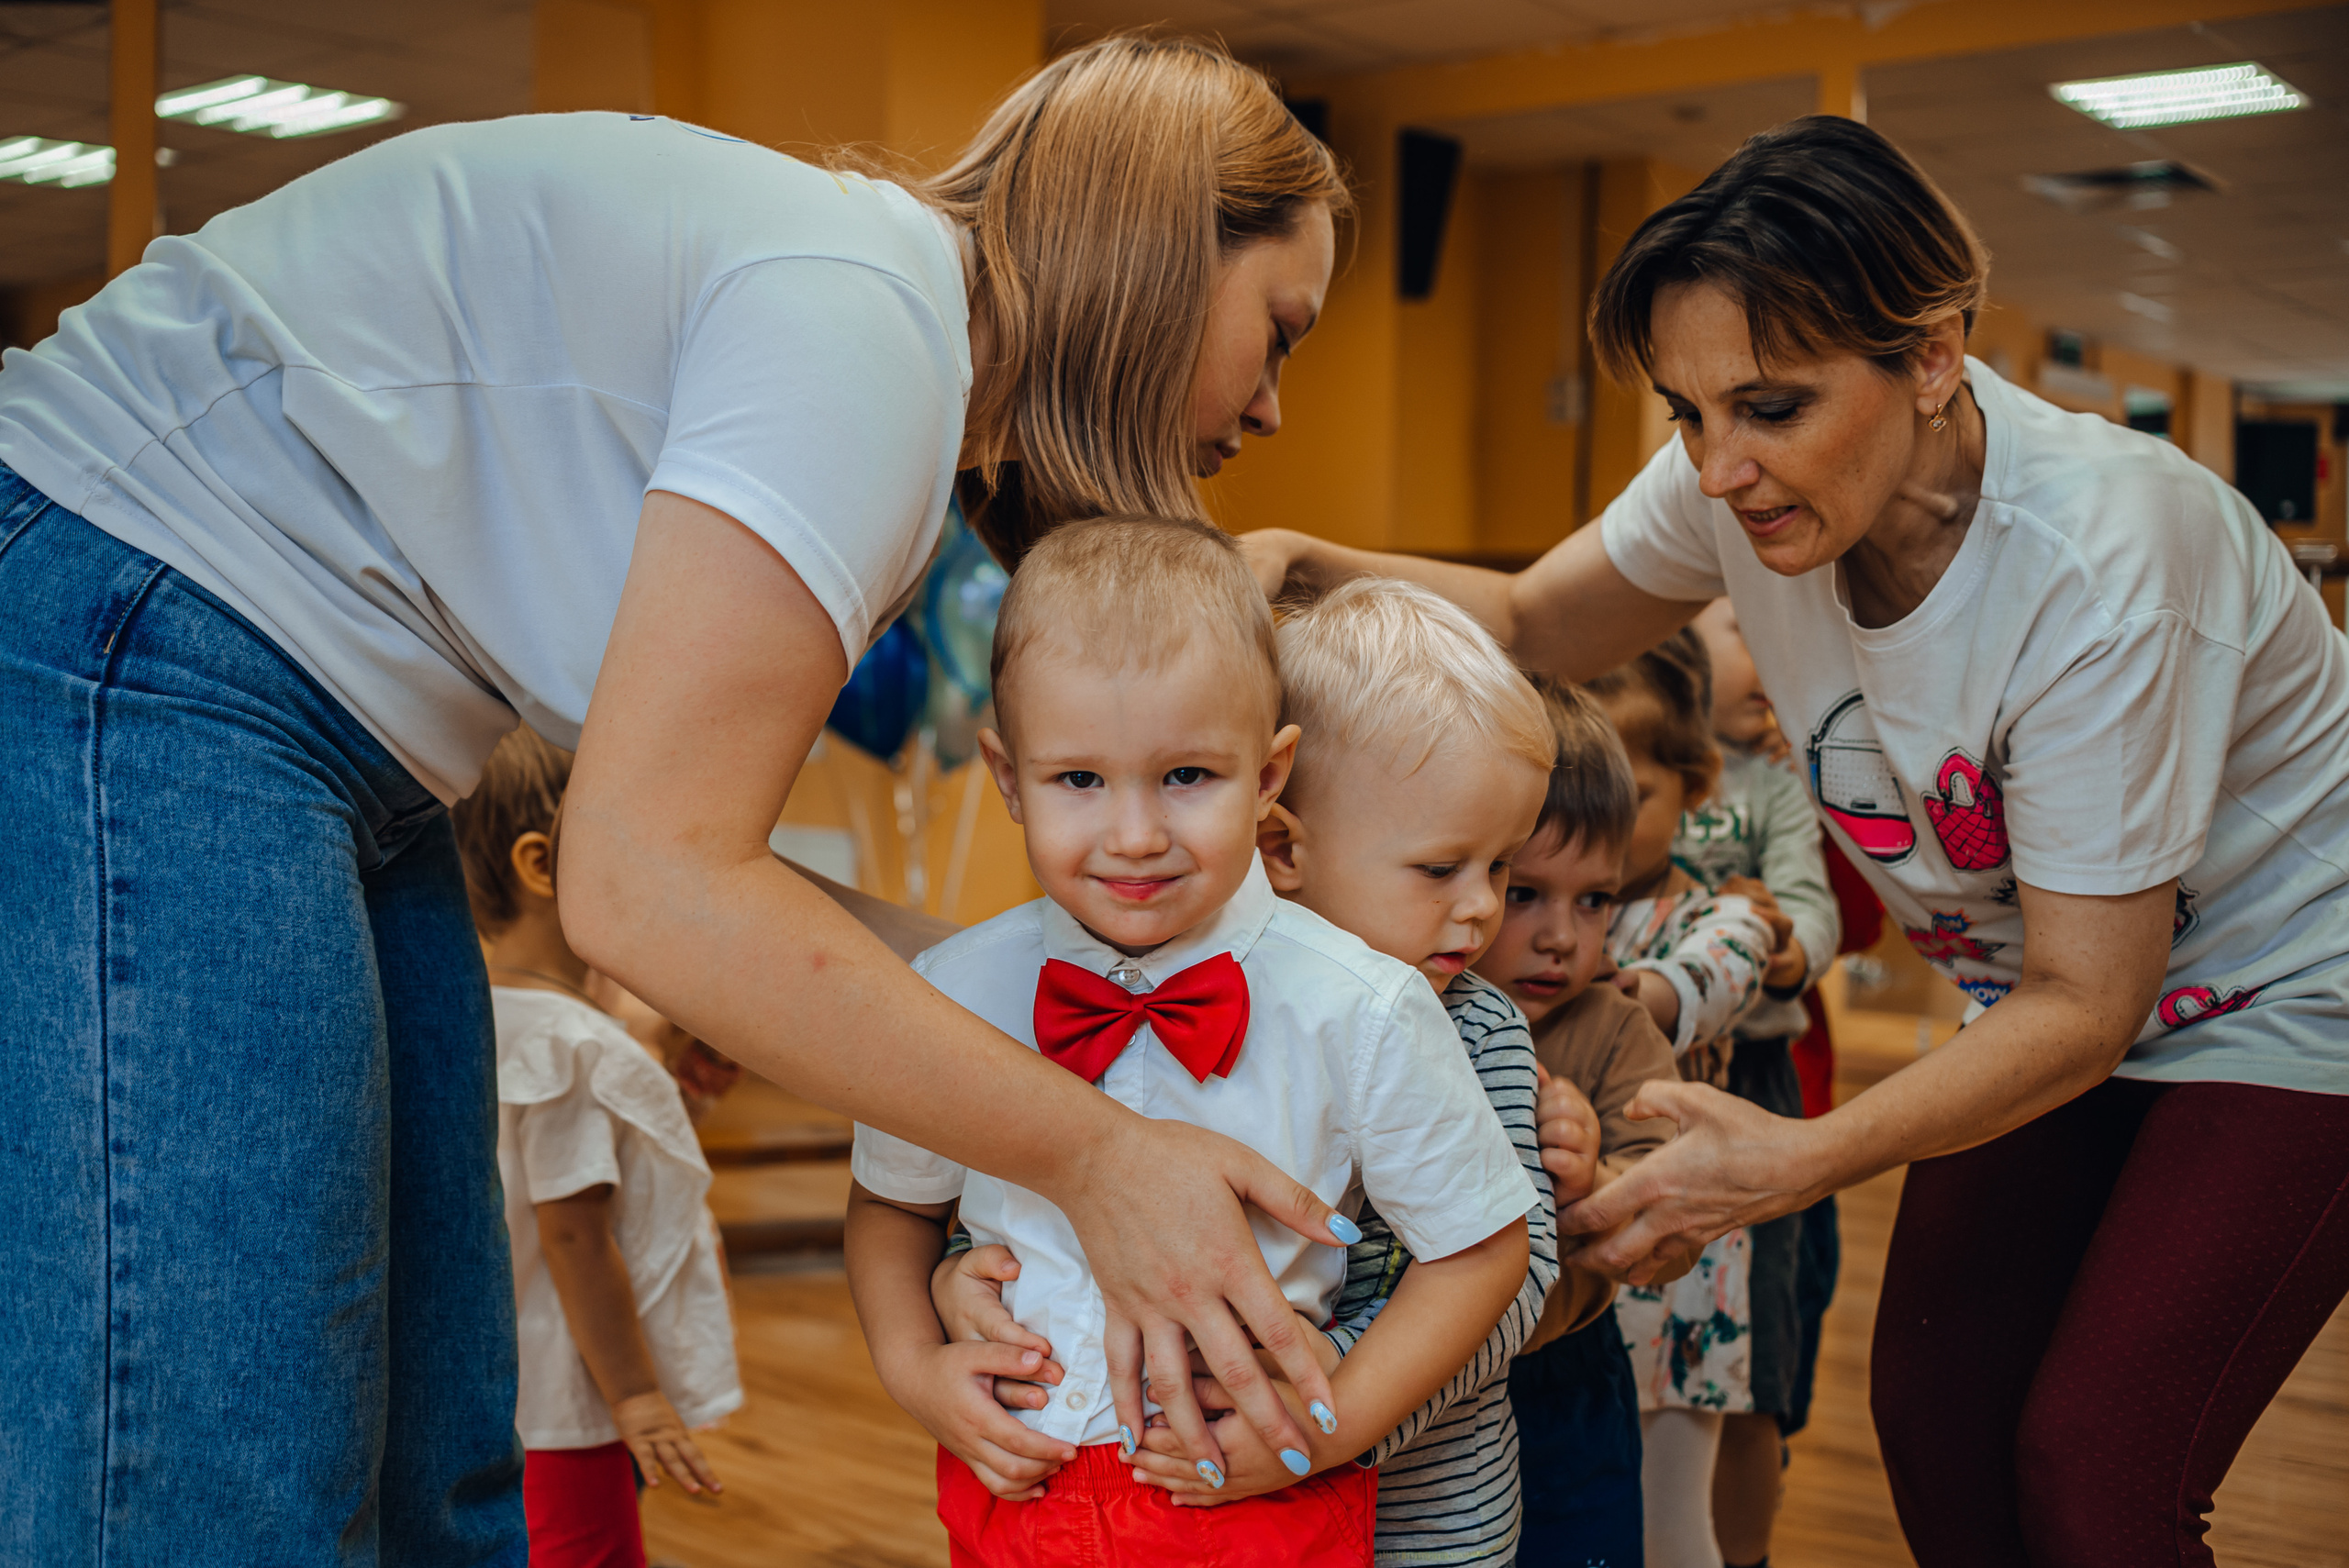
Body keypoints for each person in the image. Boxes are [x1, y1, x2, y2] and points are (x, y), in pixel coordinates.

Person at [0, 34, 1361, 1560]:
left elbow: (694, 870)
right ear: (1168, 257)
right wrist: (1100, 1152)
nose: (1272, 409)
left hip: (326, 722)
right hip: (130, 623)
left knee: (438, 1449)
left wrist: (1028, 992)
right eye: (1281, 331)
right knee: (212, 1463)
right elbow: (650, 884)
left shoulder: (887, 353)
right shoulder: (872, 335)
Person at [1239, 112, 2349, 1567]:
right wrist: (1296, 561)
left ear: (1935, 356)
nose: (1717, 468)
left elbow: (2094, 1001)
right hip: (2061, 1000)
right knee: (1941, 1423)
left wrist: (1797, 1155)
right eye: (1684, 414)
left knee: (2097, 1473)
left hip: (2285, 996)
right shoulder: (1746, 475)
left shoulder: (2110, 567)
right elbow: (1529, 621)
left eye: (1767, 409)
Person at [844, 520, 1536, 1565]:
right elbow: (892, 1204)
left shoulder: (1362, 1003)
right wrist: (912, 1369)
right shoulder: (954, 990)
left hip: (1252, 1498)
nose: (1134, 834)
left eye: (1186, 776)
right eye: (1078, 779)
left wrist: (1329, 1427)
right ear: (1005, 774)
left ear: (1268, 776)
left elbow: (1480, 1249)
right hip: (1012, 1487)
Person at [452, 728, 739, 1568]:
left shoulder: (473, 1020)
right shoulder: (576, 1048)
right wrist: (639, 1396)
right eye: (632, 844)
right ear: (543, 866)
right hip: (567, 1405)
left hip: (481, 1390)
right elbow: (575, 1237)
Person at [1473, 678, 1681, 1568]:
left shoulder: (1615, 1026)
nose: (1561, 934)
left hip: (1560, 1382)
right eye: (1524, 893)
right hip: (1414, 1384)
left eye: (1593, 900)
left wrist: (1591, 1182)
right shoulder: (1403, 1002)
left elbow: (1664, 1226)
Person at [1586, 633, 1775, 1568]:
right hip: (1572, 1265)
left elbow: (1715, 973)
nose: (1608, 830)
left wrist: (1636, 995)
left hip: (1680, 1266)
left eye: (1637, 800)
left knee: (1669, 1521)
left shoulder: (1718, 914)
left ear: (1694, 786)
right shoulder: (1531, 908)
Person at [1674, 597, 1839, 1568]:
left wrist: (1785, 947)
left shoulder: (1775, 781)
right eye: (1748, 624)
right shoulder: (1620, 752)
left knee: (1754, 1359)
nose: (1778, 652)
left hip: (1754, 1078)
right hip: (1639, 1078)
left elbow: (1811, 901)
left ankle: (1745, 1551)